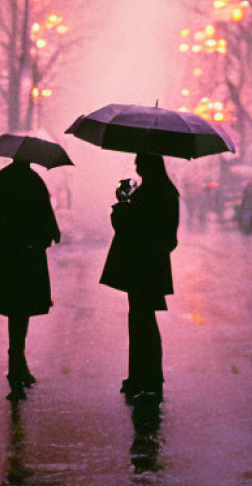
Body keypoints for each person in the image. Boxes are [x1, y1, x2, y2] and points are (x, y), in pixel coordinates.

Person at [100, 152, 179, 403]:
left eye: (139, 161)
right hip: (153, 264)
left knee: (140, 322)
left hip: (141, 264)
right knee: (144, 321)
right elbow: (168, 236)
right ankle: (146, 377)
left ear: (147, 165)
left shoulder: (149, 193)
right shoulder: (166, 191)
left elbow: (130, 226)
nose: (135, 165)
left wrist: (122, 204)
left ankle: (145, 379)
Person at [0, 158, 61, 401]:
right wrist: (48, 236)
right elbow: (45, 214)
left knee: (13, 307)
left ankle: (16, 362)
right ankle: (17, 361)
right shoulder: (34, 180)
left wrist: (6, 240)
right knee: (22, 309)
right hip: (30, 251)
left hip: (9, 251)